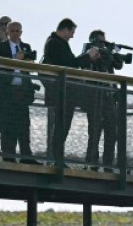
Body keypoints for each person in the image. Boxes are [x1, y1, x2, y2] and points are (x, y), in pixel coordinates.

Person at [42, 18, 100, 163]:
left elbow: (70, 63)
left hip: (66, 93)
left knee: (62, 127)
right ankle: (56, 159)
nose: (73, 35)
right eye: (72, 32)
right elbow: (69, 64)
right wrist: (88, 56)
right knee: (61, 127)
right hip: (63, 93)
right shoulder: (55, 43)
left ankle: (57, 159)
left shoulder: (58, 43)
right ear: (65, 30)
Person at [0, 21, 38, 163]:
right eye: (13, 31)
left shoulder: (26, 47)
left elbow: (30, 69)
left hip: (22, 91)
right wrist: (14, 61)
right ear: (8, 32)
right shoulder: (0, 47)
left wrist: (29, 63)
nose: (16, 34)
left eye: (18, 31)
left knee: (24, 126)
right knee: (8, 126)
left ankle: (26, 157)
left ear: (21, 32)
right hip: (7, 91)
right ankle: (9, 157)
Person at [84, 29, 124, 170]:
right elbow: (87, 65)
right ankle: (91, 163)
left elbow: (118, 65)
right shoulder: (89, 53)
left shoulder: (107, 55)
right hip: (95, 98)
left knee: (111, 132)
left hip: (110, 98)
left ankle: (108, 164)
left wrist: (114, 53)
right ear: (93, 40)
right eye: (101, 41)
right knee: (94, 132)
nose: (103, 44)